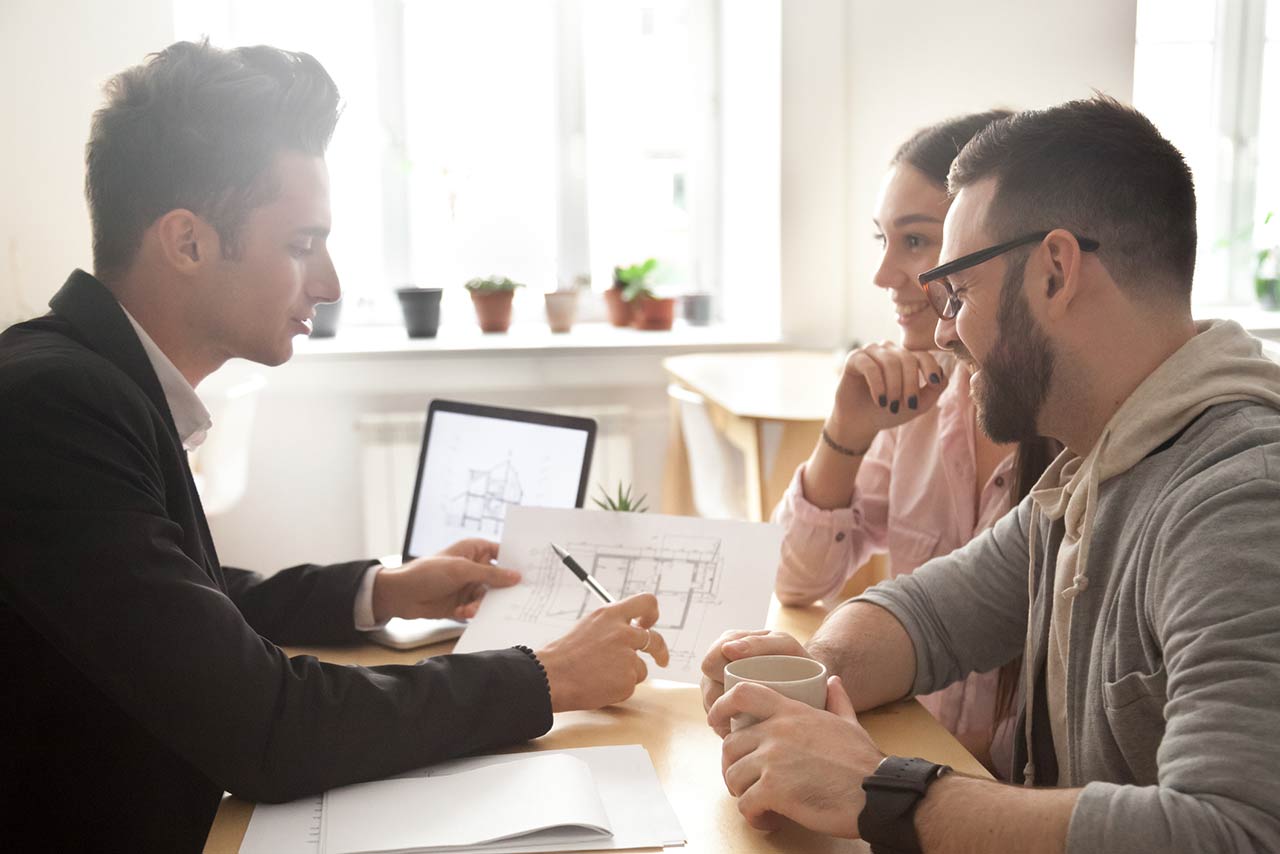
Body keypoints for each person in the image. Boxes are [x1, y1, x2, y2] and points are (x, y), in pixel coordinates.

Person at [0, 41, 668, 852]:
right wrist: (545, 675)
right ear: (186, 242)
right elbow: (262, 725)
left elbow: (184, 607)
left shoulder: (92, 378)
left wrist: (384, 591)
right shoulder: (54, 405)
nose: (330, 283)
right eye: (299, 243)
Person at [701, 96, 1280, 853]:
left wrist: (883, 794)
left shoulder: (1237, 499)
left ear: (1055, 271)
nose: (944, 331)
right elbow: (925, 616)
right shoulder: (1095, 470)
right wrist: (804, 673)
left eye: (961, 293)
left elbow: (1235, 832)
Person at [771, 110, 1057, 776]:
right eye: (883, 239)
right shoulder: (919, 400)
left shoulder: (1072, 425)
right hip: (912, 764)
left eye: (917, 242)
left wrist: (882, 776)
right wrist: (845, 433)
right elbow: (797, 579)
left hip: (991, 800)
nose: (884, 275)